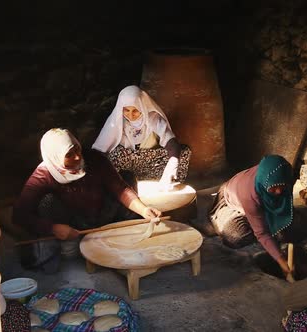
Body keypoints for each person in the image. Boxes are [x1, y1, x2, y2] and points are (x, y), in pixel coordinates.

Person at [12, 128, 161, 271]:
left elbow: (119, 188)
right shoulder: (43, 175)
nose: (77, 156)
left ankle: (122, 232)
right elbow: (19, 215)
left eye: (77, 148)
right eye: (69, 154)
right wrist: (53, 228)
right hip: (74, 225)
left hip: (103, 214)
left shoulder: (94, 159)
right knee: (47, 202)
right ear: (55, 157)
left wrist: (143, 209)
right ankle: (72, 244)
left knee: (127, 177)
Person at [207, 155, 296, 280]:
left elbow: (283, 197)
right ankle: (221, 218)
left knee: (298, 227)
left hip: (256, 201)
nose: (278, 192)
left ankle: (257, 218)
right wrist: (281, 260)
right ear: (265, 183)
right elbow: (262, 233)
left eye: (281, 186)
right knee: (235, 237)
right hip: (230, 200)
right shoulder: (249, 194)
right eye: (273, 188)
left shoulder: (283, 176)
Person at [92, 85, 191, 187]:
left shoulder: (152, 118)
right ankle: (124, 185)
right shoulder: (117, 120)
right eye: (126, 110)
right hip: (126, 163)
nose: (130, 115)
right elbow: (100, 150)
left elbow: (171, 142)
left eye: (135, 110)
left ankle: (158, 180)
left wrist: (172, 165)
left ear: (142, 107)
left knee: (182, 153)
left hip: (149, 161)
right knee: (111, 158)